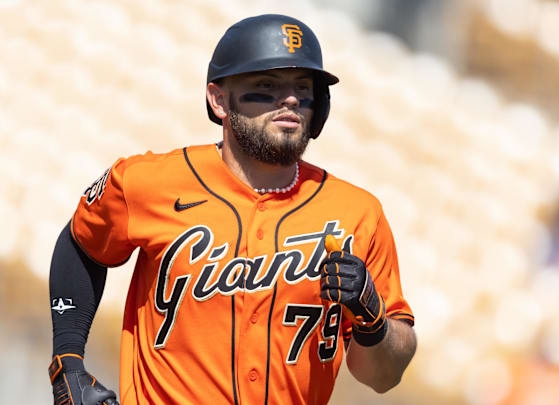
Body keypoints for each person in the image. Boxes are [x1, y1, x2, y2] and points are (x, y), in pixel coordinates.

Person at [48, 13, 416, 405]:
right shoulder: (147, 182)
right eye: (266, 85)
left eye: (302, 87)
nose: (289, 99)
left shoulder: (357, 214)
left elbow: (383, 377)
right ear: (219, 99)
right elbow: (82, 243)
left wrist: (371, 315)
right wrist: (67, 364)